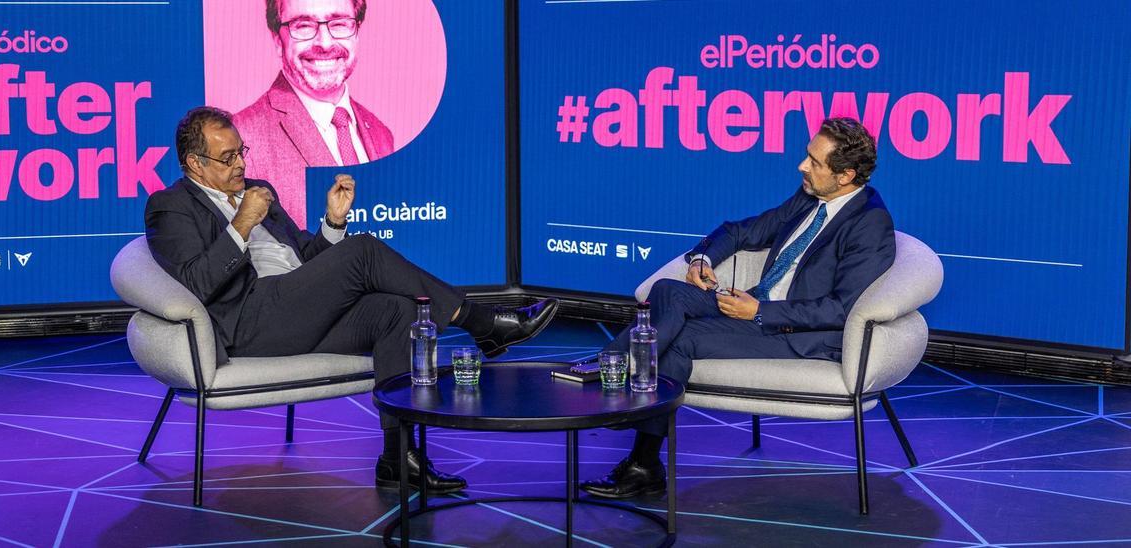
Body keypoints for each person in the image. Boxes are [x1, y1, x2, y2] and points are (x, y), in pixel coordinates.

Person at [145, 107, 558, 494]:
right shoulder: (169, 207)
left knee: (397, 312)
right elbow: (199, 282)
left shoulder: (260, 191)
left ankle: (398, 458)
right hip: (252, 322)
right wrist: (242, 223)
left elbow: (305, 261)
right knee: (363, 252)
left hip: (297, 309)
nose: (240, 164)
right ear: (195, 164)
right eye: (226, 157)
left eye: (242, 152)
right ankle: (483, 324)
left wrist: (333, 221)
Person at [580, 118, 897, 499]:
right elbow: (739, 231)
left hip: (794, 332)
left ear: (845, 175)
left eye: (814, 161)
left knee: (681, 340)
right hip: (753, 305)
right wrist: (702, 260)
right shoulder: (811, 197)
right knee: (669, 290)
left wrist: (759, 313)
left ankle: (632, 440)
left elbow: (840, 309)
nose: (802, 166)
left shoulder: (870, 224)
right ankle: (611, 376)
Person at [234, 0, 390, 229]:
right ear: (278, 40)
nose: (325, 43)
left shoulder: (381, 133)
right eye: (303, 25)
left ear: (357, 31)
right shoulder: (243, 135)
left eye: (339, 23)